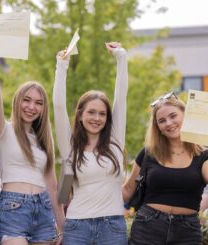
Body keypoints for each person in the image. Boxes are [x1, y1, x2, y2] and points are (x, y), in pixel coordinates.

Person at [0, 31, 65, 245]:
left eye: (38, 103)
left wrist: (62, 225)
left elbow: (53, 186)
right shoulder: (4, 130)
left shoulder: (44, 139)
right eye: (26, 100)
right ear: (18, 102)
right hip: (13, 209)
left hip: (44, 210)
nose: (31, 107)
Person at [122, 90, 208, 245]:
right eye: (162, 121)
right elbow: (127, 191)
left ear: (185, 115)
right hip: (148, 227)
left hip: (187, 231)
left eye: (173, 116)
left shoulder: (204, 154)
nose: (169, 123)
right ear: (157, 127)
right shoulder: (149, 152)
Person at [53, 42, 128, 245]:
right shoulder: (70, 146)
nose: (97, 118)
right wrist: (62, 66)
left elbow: (121, 97)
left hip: (112, 226)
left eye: (102, 114)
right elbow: (58, 107)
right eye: (91, 112)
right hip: (77, 227)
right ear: (80, 116)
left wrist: (121, 57)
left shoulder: (115, 142)